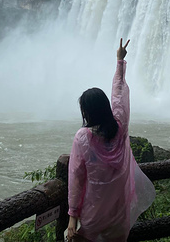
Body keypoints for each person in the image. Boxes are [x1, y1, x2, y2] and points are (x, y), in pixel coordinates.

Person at [67, 38, 156, 242]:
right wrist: (119, 62)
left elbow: (76, 178)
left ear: (86, 113)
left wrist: (72, 217)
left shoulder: (83, 139)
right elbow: (118, 95)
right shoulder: (120, 127)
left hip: (93, 213)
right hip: (118, 213)